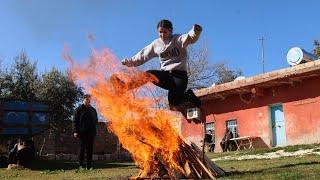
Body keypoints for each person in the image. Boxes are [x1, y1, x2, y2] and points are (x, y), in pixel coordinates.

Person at [120, 19, 202, 109]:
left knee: (173, 101)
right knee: (149, 74)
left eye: (165, 32)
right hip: (166, 75)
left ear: (170, 30)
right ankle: (125, 86)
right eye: (160, 32)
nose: (162, 35)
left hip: (180, 77)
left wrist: (195, 31)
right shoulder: (156, 44)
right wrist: (129, 62)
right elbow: (143, 55)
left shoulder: (178, 39)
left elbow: (190, 38)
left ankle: (190, 96)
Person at [73, 94, 98, 170]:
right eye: (86, 99)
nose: (88, 101)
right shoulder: (78, 109)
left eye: (89, 100)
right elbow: (75, 121)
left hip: (91, 132)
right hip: (81, 132)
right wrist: (75, 131)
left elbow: (96, 120)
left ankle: (89, 166)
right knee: (82, 149)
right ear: (83, 100)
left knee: (89, 150)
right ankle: (81, 166)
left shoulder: (93, 110)